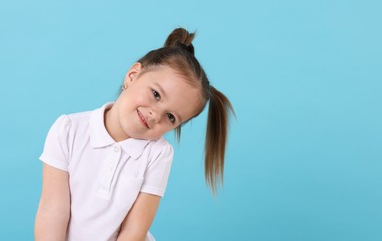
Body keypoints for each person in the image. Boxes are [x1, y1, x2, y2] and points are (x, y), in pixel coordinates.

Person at [34, 28, 234, 241]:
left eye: (171, 117)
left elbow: (133, 231)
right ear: (132, 76)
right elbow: (52, 210)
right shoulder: (68, 130)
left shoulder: (158, 154)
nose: (155, 115)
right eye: (156, 94)